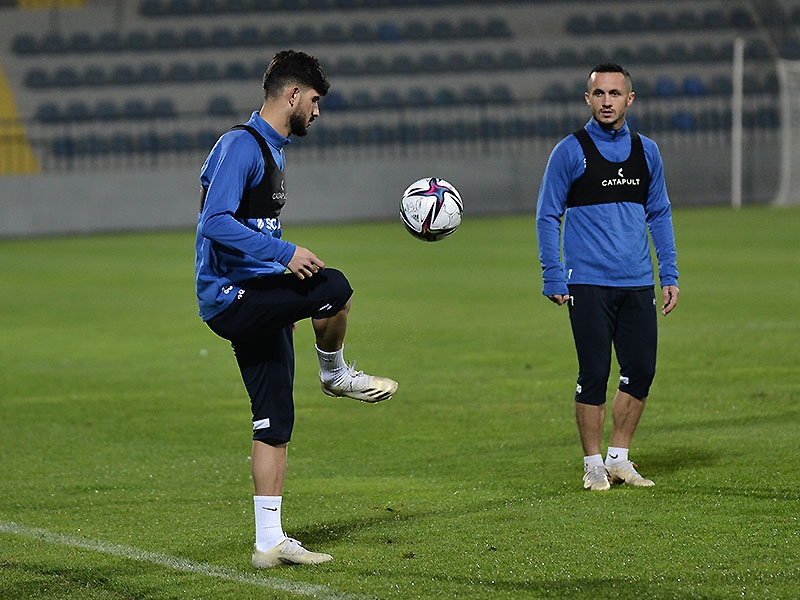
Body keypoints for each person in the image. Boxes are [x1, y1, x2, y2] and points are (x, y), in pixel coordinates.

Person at [195, 50, 398, 567]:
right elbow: (213, 221)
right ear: (292, 95)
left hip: (258, 295)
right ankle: (334, 373)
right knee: (334, 286)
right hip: (233, 296)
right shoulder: (242, 144)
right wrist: (284, 253)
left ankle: (269, 542)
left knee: (274, 419)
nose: (316, 111)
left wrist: (275, 267)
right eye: (314, 100)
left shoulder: (271, 150)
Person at [535, 63, 679, 492]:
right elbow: (547, 215)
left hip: (637, 281)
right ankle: (593, 465)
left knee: (641, 371)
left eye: (615, 94)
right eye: (599, 94)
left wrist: (668, 272)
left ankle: (619, 458)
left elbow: (659, 214)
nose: (607, 101)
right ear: (588, 98)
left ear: (629, 99)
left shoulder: (647, 151)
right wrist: (553, 274)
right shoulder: (569, 151)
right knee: (594, 374)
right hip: (588, 282)